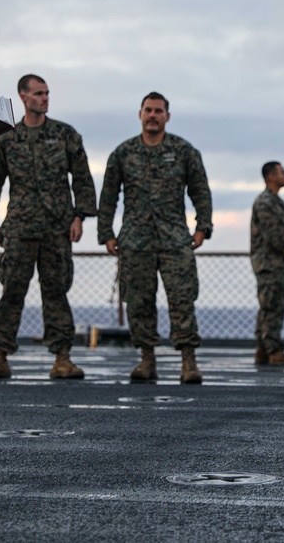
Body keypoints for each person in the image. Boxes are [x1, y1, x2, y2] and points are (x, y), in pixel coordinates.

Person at [0, 74, 97, 380]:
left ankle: (62, 358)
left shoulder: (65, 135)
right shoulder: (5, 140)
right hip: (20, 227)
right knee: (12, 291)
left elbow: (82, 178)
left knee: (56, 291)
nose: (45, 98)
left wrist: (80, 216)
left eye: (47, 94)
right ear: (23, 96)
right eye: (39, 94)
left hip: (58, 228)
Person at [98, 92, 213, 384]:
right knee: (138, 301)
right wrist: (106, 233)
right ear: (140, 114)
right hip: (136, 240)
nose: (153, 115)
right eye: (148, 110)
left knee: (182, 299)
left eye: (158, 111)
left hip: (175, 239)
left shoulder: (184, 151)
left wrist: (203, 227)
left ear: (167, 116)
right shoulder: (123, 153)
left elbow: (200, 190)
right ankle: (146, 359)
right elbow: (109, 196)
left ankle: (188, 360)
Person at [250, 161, 284, 366]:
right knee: (272, 306)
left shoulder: (276, 202)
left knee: (270, 305)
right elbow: (275, 235)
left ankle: (264, 347)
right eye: (282, 173)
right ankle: (273, 349)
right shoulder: (265, 202)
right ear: (270, 176)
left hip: (276, 262)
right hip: (270, 263)